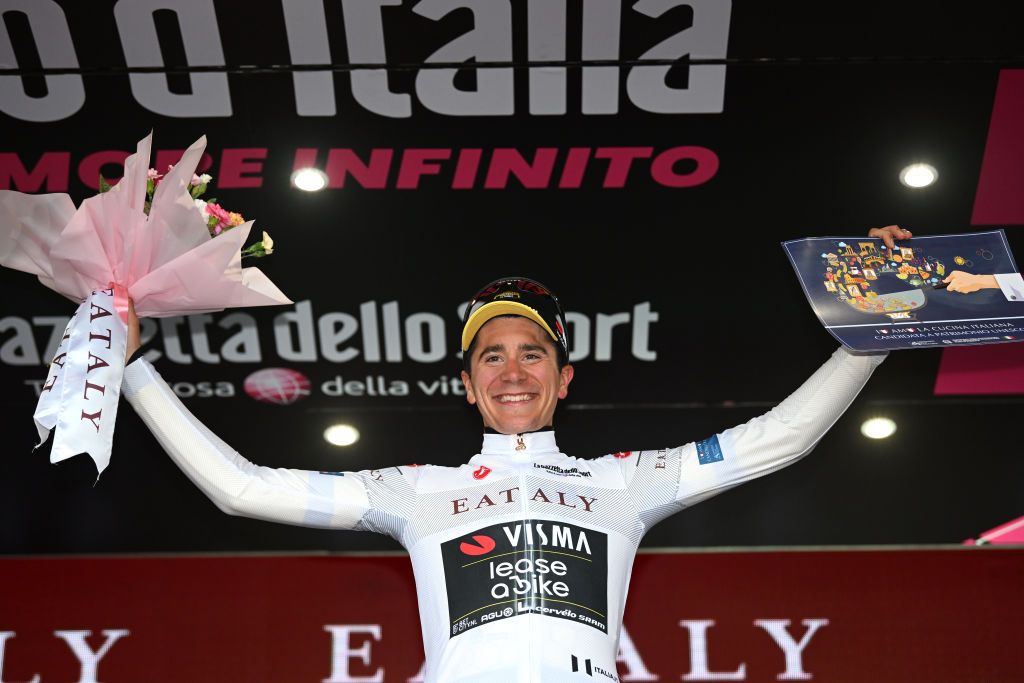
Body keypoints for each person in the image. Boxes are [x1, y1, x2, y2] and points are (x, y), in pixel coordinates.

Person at [120, 225, 908, 682]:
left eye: (531, 353)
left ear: (564, 377)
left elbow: (781, 437)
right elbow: (239, 486)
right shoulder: (413, 489)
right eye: (490, 357)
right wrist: (132, 368)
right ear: (467, 385)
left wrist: (869, 339)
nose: (512, 371)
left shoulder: (623, 482)